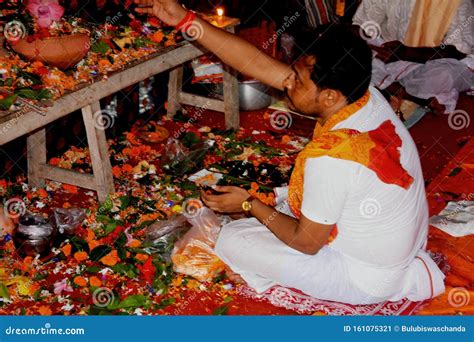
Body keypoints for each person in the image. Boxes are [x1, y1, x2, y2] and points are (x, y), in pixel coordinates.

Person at [135, 0, 445, 304]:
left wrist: (248, 204)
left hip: (364, 277)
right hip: (391, 244)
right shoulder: (363, 97)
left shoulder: (333, 157)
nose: (287, 83)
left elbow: (306, 242)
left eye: (297, 80)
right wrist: (185, 19)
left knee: (233, 239)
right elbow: (257, 64)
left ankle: (278, 275)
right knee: (281, 205)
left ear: (328, 96)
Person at [353, 0, 473, 114]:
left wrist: (407, 53)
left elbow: (458, 52)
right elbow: (360, 26)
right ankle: (408, 96)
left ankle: (393, 91)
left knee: (445, 75)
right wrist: (375, 46)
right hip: (386, 58)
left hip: (429, 64)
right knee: (348, 53)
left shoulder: (458, 2)